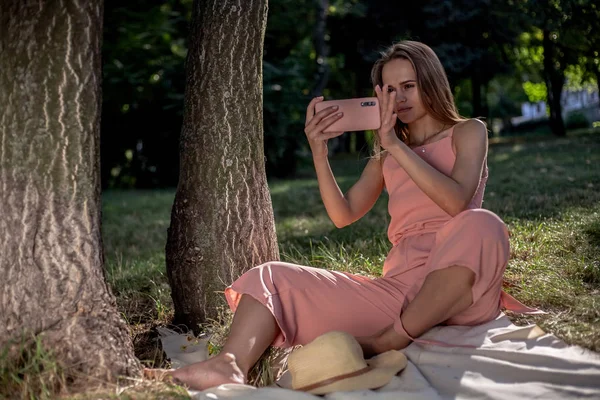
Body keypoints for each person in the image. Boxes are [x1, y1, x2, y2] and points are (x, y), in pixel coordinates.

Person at [147, 40, 525, 390]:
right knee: (270, 275)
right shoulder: (387, 154)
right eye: (389, 90)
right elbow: (343, 214)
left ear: (431, 82)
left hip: (460, 284)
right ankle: (228, 365)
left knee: (482, 223)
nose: (399, 98)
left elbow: (458, 202)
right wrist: (319, 154)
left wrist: (393, 144)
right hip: (399, 293)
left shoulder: (467, 132)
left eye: (409, 86)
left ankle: (387, 341)